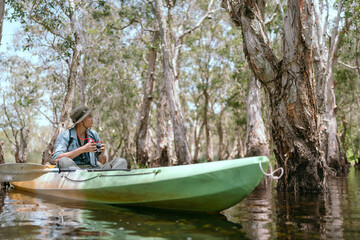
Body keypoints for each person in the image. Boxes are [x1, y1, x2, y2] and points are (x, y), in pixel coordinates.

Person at [52, 106, 128, 170]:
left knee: (121, 161)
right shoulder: (65, 135)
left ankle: (109, 182)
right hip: (74, 170)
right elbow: (57, 159)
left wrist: (101, 154)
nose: (92, 119)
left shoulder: (93, 134)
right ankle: (83, 179)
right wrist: (82, 149)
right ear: (81, 121)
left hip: (92, 170)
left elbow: (102, 162)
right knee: (63, 161)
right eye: (89, 117)